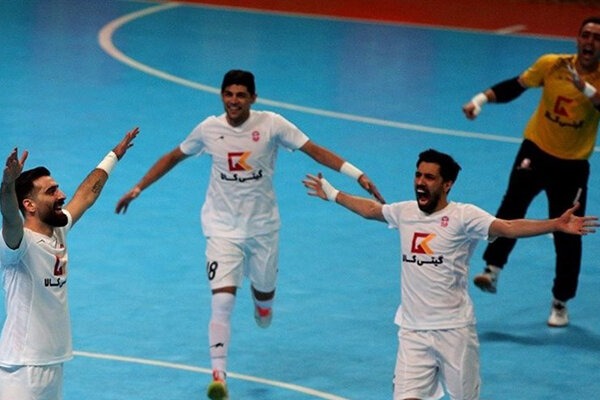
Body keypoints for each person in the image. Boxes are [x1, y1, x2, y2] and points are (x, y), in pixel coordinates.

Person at [114, 70, 385, 400]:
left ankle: (263, 305)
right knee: (222, 301)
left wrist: (357, 175)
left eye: (241, 95)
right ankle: (218, 376)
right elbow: (173, 156)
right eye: (228, 94)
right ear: (221, 96)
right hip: (221, 229)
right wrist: (138, 188)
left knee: (264, 301)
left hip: (263, 229)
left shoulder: (272, 124)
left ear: (253, 98)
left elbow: (314, 150)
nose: (234, 101)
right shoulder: (209, 129)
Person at [302, 148, 598, 400]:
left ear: (447, 184)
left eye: (429, 177)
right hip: (413, 332)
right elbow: (371, 210)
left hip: (454, 331)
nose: (420, 182)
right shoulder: (405, 212)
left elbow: (508, 227)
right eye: (418, 175)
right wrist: (333, 193)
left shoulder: (464, 216)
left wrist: (554, 224)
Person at [461, 16, 600, 327]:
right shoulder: (552, 64)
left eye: (597, 38)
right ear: (578, 39)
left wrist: (585, 88)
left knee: (567, 230)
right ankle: (492, 270)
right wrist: (479, 100)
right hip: (535, 151)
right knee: (511, 208)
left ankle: (560, 302)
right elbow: (516, 86)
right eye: (586, 35)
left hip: (572, 165)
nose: (590, 42)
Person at [0, 127, 139, 400]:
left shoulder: (59, 229)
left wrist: (113, 156)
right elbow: (9, 215)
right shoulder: (18, 243)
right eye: (51, 191)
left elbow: (86, 195)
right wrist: (7, 185)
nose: (61, 195)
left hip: (52, 362)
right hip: (21, 368)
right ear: (29, 205)